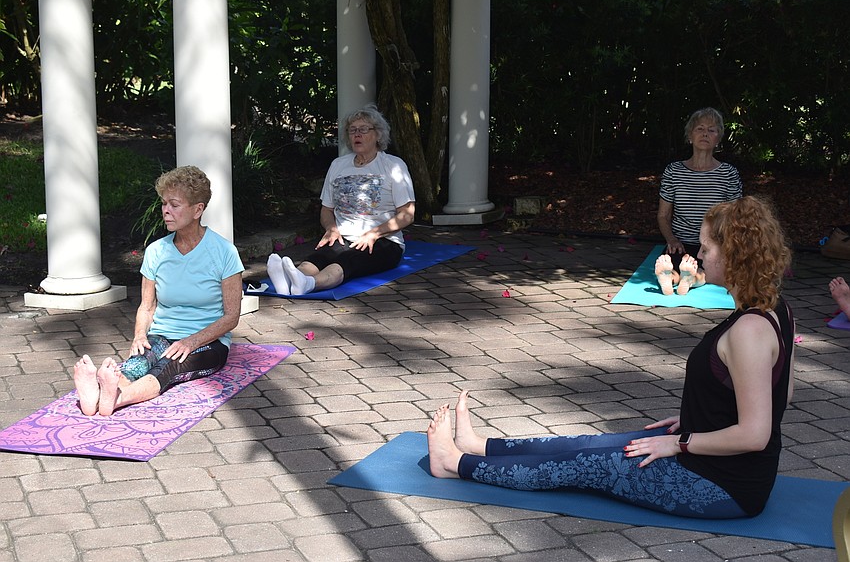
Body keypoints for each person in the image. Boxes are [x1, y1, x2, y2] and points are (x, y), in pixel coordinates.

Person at [428, 196, 795, 519]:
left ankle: (453, 463)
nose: (698, 255)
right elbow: (781, 395)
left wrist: (680, 443)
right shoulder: (776, 309)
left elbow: (755, 435)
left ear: (733, 255)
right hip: (712, 460)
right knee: (586, 445)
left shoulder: (749, 330)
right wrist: (706, 413)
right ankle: (481, 447)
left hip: (718, 485)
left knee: (579, 466)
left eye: (706, 248)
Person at [73, 166, 244, 416]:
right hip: (162, 334)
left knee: (169, 366)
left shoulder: (224, 252)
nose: (166, 210)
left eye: (174, 204)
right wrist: (140, 335)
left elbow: (231, 317)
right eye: (164, 203)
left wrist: (191, 341)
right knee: (136, 364)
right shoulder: (156, 251)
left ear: (198, 209)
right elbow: (147, 306)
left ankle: (115, 399)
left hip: (208, 342)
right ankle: (97, 397)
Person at [266, 104, 415, 295]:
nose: (357, 135)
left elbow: (407, 214)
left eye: (363, 130)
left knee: (345, 263)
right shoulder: (338, 165)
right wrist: (331, 228)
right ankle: (288, 282)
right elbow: (326, 210)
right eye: (352, 130)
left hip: (384, 241)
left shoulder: (393, 165)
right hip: (344, 236)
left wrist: (374, 233)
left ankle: (309, 284)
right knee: (315, 260)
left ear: (378, 135)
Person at [655, 107, 742, 295]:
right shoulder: (674, 171)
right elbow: (663, 215)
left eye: (712, 130)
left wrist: (719, 244)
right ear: (690, 136)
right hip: (681, 244)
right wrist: (672, 239)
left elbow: (735, 216)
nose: (705, 133)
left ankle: (693, 278)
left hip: (714, 246)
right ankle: (672, 278)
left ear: (718, 139)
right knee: (672, 266)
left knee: (711, 270)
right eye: (700, 128)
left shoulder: (729, 173)